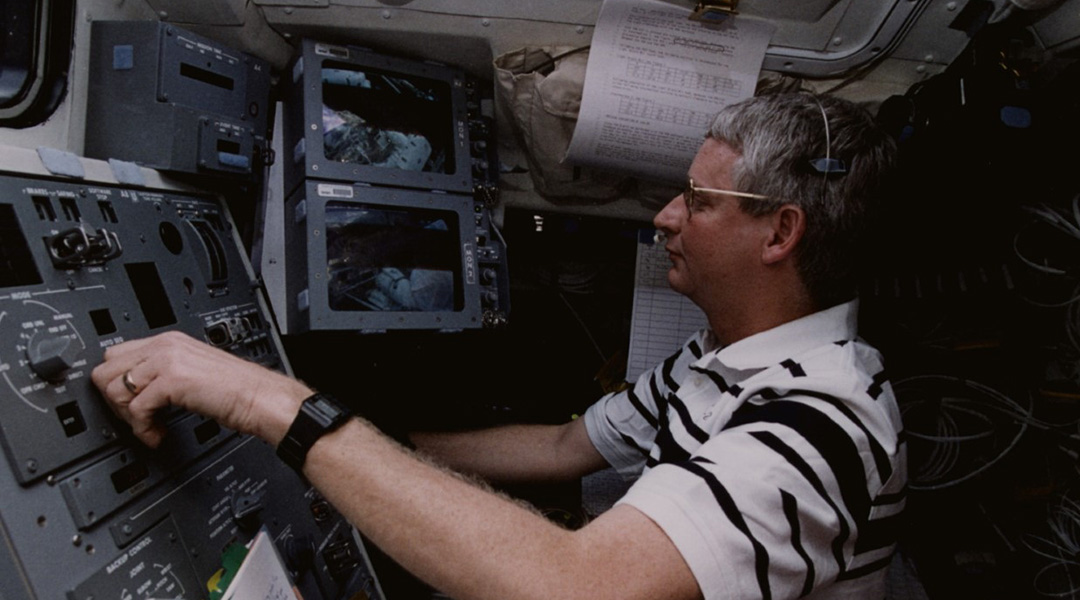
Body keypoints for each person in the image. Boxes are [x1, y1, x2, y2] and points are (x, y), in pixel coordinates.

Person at [92, 91, 904, 600]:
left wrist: (277, 406)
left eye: (696, 199)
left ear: (780, 233)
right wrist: (371, 447)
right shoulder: (718, 357)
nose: (664, 217)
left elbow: (580, 587)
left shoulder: (822, 419)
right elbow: (560, 445)